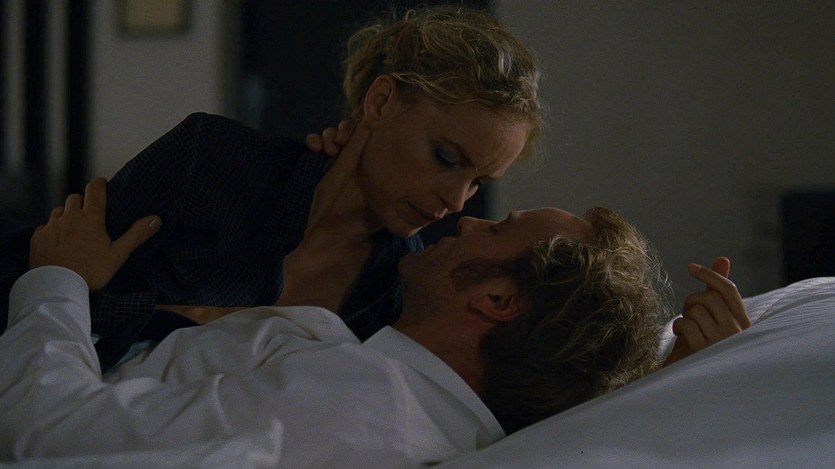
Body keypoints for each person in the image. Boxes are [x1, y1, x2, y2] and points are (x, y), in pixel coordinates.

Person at [0, 179, 749, 466]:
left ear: (496, 302)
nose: (465, 217)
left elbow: (41, 430)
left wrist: (57, 280)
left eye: (496, 230)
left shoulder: (354, 405)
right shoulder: (416, 399)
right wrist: (672, 380)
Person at [0, 5, 543, 371]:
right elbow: (33, 274)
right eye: (445, 158)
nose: (456, 200)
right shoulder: (214, 160)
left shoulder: (398, 290)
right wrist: (77, 285)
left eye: (479, 182)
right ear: (380, 102)